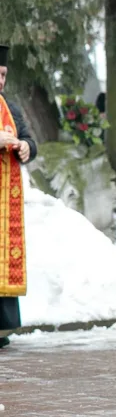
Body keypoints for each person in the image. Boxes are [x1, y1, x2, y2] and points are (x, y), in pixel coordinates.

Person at [0, 44, 37, 350]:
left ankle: (2, 328)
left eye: (3, 75)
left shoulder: (10, 107)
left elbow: (28, 137)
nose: (0, 80)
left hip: (5, 202)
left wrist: (26, 147)